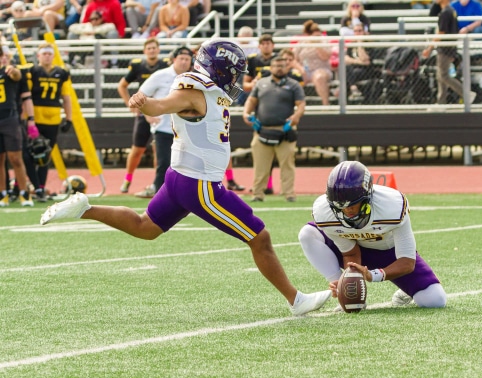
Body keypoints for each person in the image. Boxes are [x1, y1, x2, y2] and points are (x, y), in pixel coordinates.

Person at [40, 39, 331, 317]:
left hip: (181, 178)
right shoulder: (194, 91)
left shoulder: (205, 90)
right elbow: (162, 105)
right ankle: (296, 300)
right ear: (218, 69)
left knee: (146, 227)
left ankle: (84, 209)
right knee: (260, 237)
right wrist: (144, 102)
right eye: (233, 74)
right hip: (200, 184)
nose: (236, 80)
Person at [298, 161, 447, 310]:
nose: (346, 210)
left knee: (435, 300)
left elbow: (407, 261)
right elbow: (350, 252)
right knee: (307, 233)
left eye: (352, 204)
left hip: (389, 252)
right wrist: (346, 280)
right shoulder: (324, 212)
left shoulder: (392, 206)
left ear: (367, 196)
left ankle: (406, 290)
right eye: (339, 205)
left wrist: (373, 275)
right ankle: (341, 289)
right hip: (357, 249)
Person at [243, 56, 305, 203]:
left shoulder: (294, 85)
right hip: (262, 129)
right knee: (260, 165)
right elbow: (251, 100)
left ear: (287, 67)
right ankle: (257, 194)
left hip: (285, 130)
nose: (279, 68)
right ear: (270, 67)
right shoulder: (260, 84)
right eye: (276, 65)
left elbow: (301, 104)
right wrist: (245, 113)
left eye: (282, 65)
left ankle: (289, 194)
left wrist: (296, 116)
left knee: (287, 164)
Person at [136, 46, 192, 197]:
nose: (184, 62)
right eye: (181, 58)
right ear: (174, 59)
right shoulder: (161, 75)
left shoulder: (193, 78)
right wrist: (148, 116)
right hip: (164, 127)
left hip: (186, 129)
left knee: (186, 163)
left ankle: (183, 192)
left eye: (187, 59)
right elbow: (141, 94)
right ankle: (160, 192)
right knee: (164, 162)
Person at [117, 38, 170, 196]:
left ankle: (157, 182)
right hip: (143, 111)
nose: (152, 51)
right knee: (137, 149)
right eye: (149, 48)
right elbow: (122, 85)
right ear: (144, 50)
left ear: (158, 50)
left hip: (159, 111)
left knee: (158, 149)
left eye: (154, 48)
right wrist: (130, 104)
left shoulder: (165, 66)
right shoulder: (138, 66)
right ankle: (128, 178)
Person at [25, 42, 72, 202]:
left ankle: (40, 188)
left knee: (45, 156)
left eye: (49, 53)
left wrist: (69, 118)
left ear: (53, 55)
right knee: (29, 154)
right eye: (44, 53)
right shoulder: (33, 71)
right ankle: (33, 186)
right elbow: (26, 96)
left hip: (53, 119)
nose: (47, 56)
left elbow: (66, 97)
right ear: (38, 55)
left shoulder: (61, 73)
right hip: (35, 119)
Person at [422, 0, 477, 106]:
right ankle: (441, 102)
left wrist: (429, 48)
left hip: (445, 49)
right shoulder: (450, 11)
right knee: (440, 76)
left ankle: (466, 94)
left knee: (443, 75)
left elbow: (441, 33)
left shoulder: (446, 12)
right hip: (449, 48)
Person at [0, 46, 35, 207]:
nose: (3, 58)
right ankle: (3, 193)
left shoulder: (10, 71)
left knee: (16, 158)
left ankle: (24, 192)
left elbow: (16, 75)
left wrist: (12, 70)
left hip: (9, 118)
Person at [294, 21, 333, 106]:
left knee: (319, 78)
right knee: (293, 78)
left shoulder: (324, 42)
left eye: (318, 35)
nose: (317, 37)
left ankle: (326, 105)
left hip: (321, 69)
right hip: (304, 70)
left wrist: (317, 45)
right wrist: (301, 70)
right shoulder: (301, 43)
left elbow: (326, 57)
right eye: (315, 36)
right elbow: (293, 59)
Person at [344, 22, 375, 101]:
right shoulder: (351, 44)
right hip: (352, 69)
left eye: (359, 31)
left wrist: (360, 44)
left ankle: (350, 89)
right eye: (355, 31)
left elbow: (366, 60)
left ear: (364, 31)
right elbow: (346, 59)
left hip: (366, 71)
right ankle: (353, 88)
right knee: (346, 68)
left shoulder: (369, 44)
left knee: (349, 71)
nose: (357, 33)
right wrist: (358, 61)